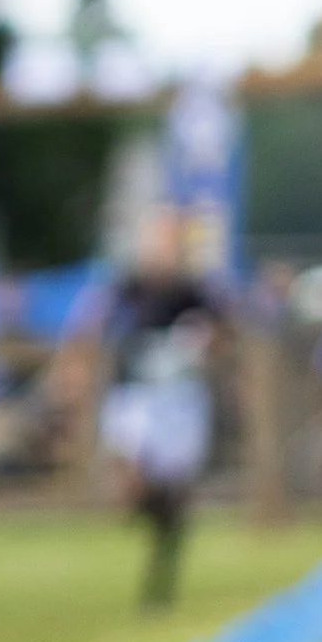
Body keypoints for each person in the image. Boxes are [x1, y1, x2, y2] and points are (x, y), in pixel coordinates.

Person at [99, 209, 225, 608]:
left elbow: (224, 334)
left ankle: (161, 572)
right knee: (131, 466)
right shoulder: (128, 288)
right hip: (136, 396)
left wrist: (204, 347)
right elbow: (101, 329)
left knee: (174, 495)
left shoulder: (196, 293)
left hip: (179, 402)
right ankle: (141, 504)